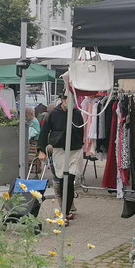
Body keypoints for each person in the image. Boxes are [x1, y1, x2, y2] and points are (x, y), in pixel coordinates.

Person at [37, 91, 84, 219]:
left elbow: (81, 131)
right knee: (63, 181)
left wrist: (82, 145)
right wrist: (41, 149)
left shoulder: (77, 113)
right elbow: (44, 131)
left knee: (69, 181)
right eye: (68, 99)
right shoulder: (53, 114)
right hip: (60, 150)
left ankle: (65, 212)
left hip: (74, 149)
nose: (71, 102)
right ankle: (66, 211)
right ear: (62, 100)